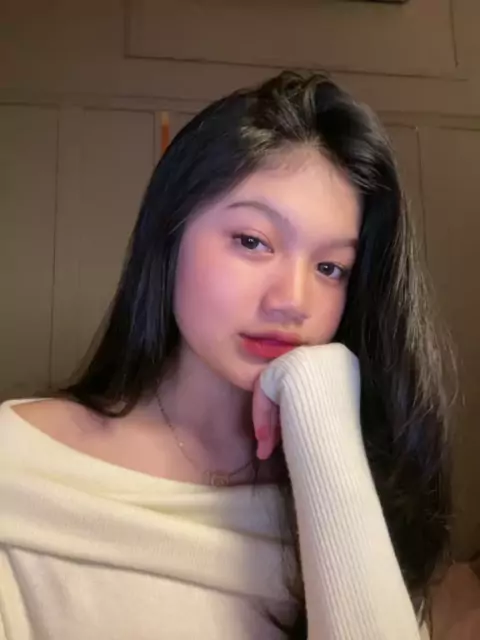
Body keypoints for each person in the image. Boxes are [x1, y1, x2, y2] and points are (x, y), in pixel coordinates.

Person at [0, 71, 452, 639]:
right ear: (170, 236)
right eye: (252, 241)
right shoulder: (19, 467)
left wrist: (322, 412)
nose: (293, 301)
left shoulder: (358, 478)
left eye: (330, 268)